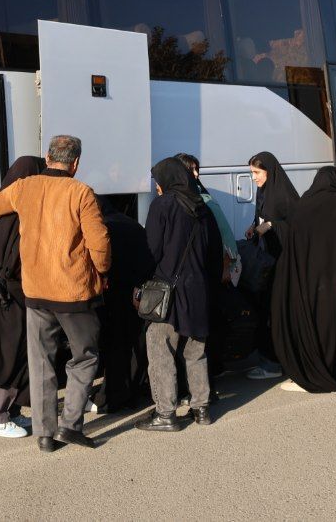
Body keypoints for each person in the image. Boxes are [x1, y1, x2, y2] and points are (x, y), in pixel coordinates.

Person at [0, 135, 110, 453]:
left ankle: (44, 434)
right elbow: (100, 244)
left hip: (35, 292)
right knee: (84, 358)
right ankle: (70, 425)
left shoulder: (26, 187)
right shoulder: (81, 192)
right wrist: (102, 273)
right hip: (74, 294)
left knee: (41, 363)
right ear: (75, 163)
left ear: (48, 157)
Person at [136, 157, 224, 431]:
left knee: (160, 348)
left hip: (168, 292)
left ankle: (165, 413)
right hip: (198, 291)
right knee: (196, 351)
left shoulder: (163, 206)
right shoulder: (202, 207)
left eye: (158, 181)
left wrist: (140, 284)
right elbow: (214, 253)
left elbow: (150, 250)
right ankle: (201, 409)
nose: (157, 187)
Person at [270, 163, 336, 392]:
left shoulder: (304, 205)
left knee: (314, 323)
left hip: (309, 280)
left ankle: (312, 369)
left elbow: (292, 245)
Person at [0, 155, 44, 438]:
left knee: (8, 352)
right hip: (13, 295)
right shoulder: (17, 214)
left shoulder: (1, 208)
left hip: (3, 294)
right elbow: (16, 259)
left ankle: (12, 412)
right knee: (10, 355)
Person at [93, 195, 153, 413]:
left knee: (116, 345)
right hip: (140, 291)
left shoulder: (105, 228)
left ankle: (113, 396)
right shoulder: (128, 222)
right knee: (135, 342)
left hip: (119, 293)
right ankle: (133, 391)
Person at [244, 151, 300, 380]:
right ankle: (270, 360)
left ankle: (276, 363)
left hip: (282, 264)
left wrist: (271, 226)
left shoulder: (283, 196)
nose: (254, 178)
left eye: (257, 172)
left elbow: (295, 225)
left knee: (276, 313)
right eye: (252, 174)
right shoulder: (264, 192)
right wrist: (253, 227)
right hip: (267, 262)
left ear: (270, 170)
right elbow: (262, 217)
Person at [176, 153, 241, 286]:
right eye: (191, 170)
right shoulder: (177, 199)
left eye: (196, 169)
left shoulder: (205, 201)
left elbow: (225, 237)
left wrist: (227, 266)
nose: (196, 174)